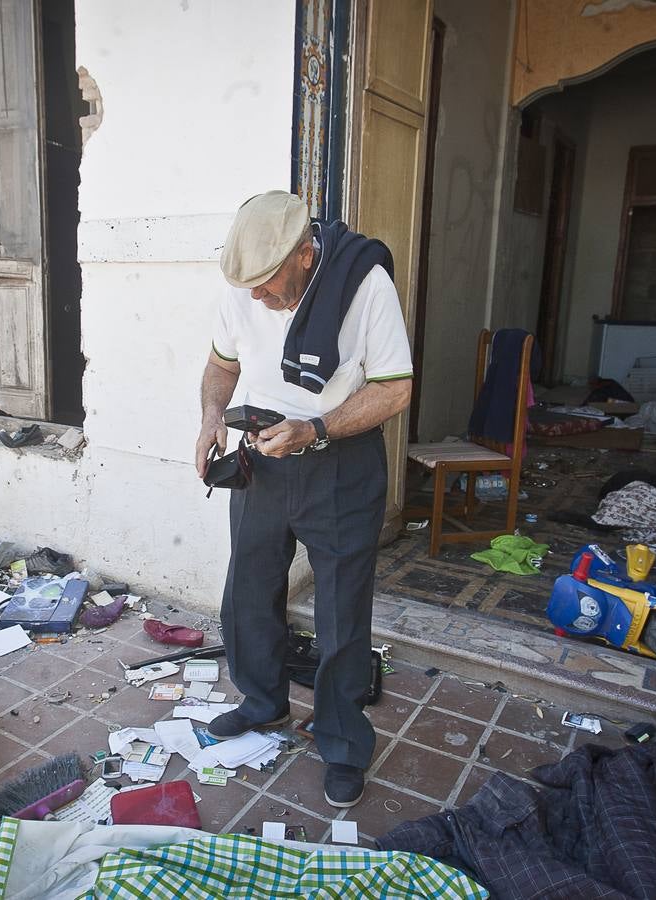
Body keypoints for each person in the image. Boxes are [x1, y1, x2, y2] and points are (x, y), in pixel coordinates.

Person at [195, 190, 413, 808]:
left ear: (303, 253)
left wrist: (314, 429)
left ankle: (343, 743)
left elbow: (394, 390)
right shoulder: (243, 289)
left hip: (337, 463)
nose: (257, 298)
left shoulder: (363, 283)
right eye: (249, 288)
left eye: (267, 284)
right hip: (263, 457)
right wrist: (212, 416)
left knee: (341, 609)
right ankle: (263, 704)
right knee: (249, 589)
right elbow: (220, 365)